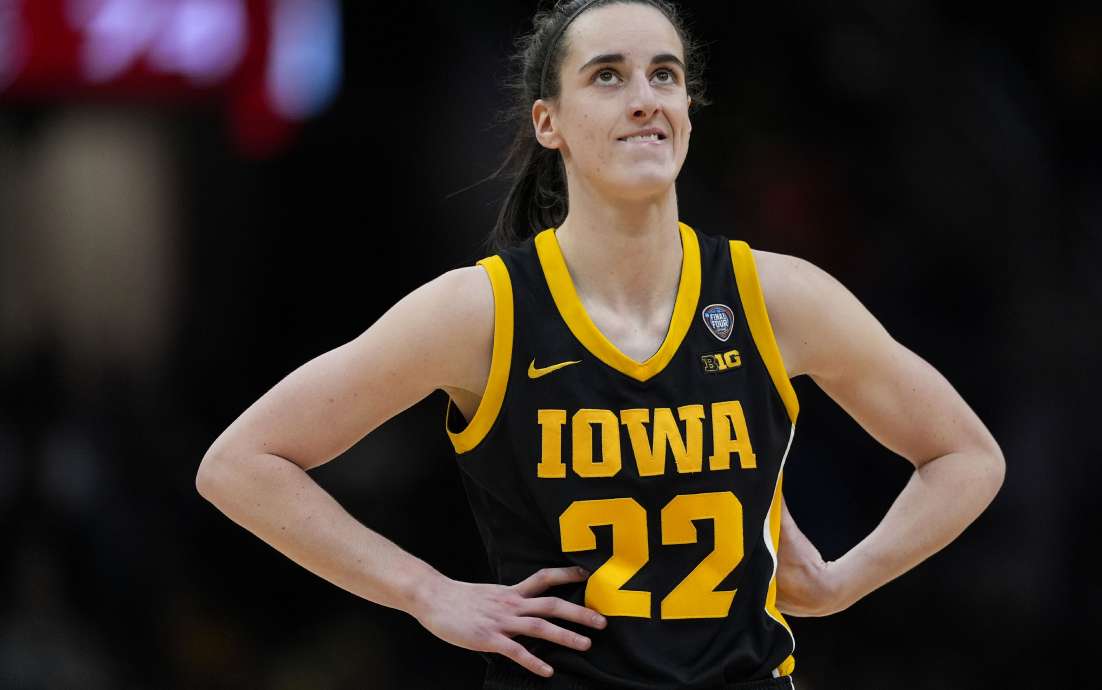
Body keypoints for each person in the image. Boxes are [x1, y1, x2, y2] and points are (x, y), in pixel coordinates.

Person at [195, 1, 1007, 688]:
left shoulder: (775, 295)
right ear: (548, 122)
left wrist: (838, 583)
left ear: (689, 112)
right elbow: (241, 465)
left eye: (666, 75)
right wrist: (426, 592)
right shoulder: (483, 312)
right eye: (608, 76)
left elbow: (967, 457)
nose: (646, 98)